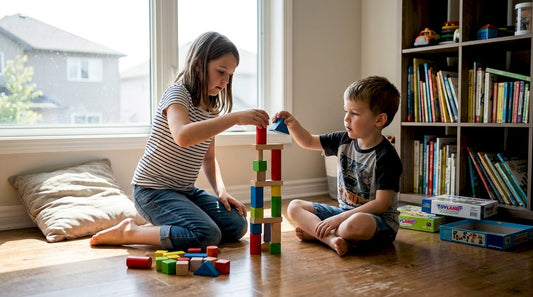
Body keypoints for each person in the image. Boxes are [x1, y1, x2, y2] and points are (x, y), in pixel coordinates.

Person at [90, 32, 270, 250]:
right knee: (207, 235)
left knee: (237, 226)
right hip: (151, 191)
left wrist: (221, 191)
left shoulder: (211, 109)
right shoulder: (177, 94)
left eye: (230, 75)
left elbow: (209, 158)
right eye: (221, 72)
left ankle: (168, 226)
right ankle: (131, 231)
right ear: (198, 65)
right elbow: (183, 136)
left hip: (185, 190)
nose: (225, 80)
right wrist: (234, 118)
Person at [273, 76, 402, 256]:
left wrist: (337, 220)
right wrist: (293, 124)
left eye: (354, 113)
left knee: (354, 224)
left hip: (377, 222)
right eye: (346, 111)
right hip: (344, 212)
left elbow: (381, 204)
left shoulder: (386, 156)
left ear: (379, 120)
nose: (346, 119)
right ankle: (331, 239)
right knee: (294, 206)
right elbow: (308, 141)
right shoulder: (343, 139)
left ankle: (317, 233)